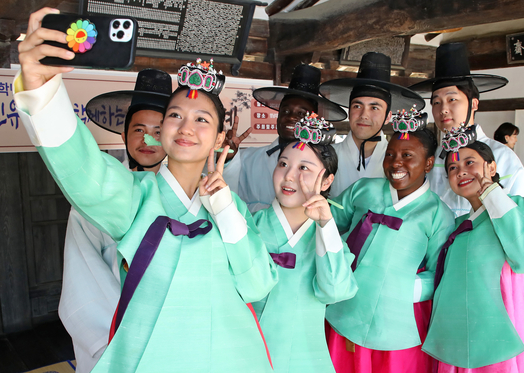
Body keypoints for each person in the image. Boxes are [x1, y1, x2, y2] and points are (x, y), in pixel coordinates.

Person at [16, 8, 277, 372]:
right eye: (175, 115)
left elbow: (258, 285)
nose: (186, 126)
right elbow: (84, 170)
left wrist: (226, 214)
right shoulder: (135, 197)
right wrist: (42, 88)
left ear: (220, 138)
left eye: (201, 119)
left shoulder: (233, 208)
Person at [59, 68, 171, 373]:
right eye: (139, 129)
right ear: (123, 135)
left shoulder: (190, 193)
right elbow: (83, 274)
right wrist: (124, 336)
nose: (148, 139)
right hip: (114, 333)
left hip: (174, 334)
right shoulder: (97, 193)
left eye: (159, 131)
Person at [326, 109, 455, 373]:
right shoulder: (363, 189)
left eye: (407, 156)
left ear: (429, 163)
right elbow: (328, 223)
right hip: (348, 303)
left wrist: (402, 288)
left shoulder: (438, 214)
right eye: (390, 155)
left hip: (399, 313)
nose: (396, 163)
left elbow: (440, 272)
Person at [423, 131, 524, 372]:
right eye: (452, 168)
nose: (460, 171)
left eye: (469, 162)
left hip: (512, 331)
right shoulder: (457, 226)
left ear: (492, 167)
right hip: (464, 333)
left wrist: (493, 195)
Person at [251, 113, 358, 373]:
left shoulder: (331, 237)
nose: (289, 176)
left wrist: (325, 225)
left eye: (304, 168)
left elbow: (334, 291)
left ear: (327, 181)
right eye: (283, 164)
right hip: (248, 351)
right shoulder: (248, 225)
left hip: (306, 357)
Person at [409, 42, 524, 217]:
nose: (443, 109)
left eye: (452, 100)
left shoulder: (502, 157)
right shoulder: (431, 158)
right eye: (436, 102)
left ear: (474, 104)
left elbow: (522, 219)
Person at [222, 64, 346, 212]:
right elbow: (227, 198)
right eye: (285, 110)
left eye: (301, 114)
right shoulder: (247, 158)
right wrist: (228, 158)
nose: (291, 117)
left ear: (314, 119)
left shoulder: (321, 164)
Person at [319, 52, 425, 197]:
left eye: (374, 108)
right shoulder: (326, 155)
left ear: (388, 116)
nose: (364, 115)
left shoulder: (399, 160)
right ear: (349, 111)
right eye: (357, 106)